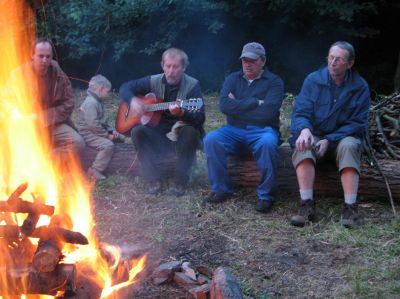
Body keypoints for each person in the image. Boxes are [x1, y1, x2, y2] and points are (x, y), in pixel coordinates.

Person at [289, 41, 371, 228]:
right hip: (316, 134)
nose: (332, 62)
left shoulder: (359, 87)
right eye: (330, 57)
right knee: (303, 143)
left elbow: (358, 123)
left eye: (339, 59)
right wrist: (305, 129)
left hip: (343, 137)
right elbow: (301, 112)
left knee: (350, 146)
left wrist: (330, 139)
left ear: (349, 64)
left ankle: (350, 209)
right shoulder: (313, 80)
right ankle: (306, 206)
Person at [203, 42, 284, 213]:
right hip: (233, 130)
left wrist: (237, 106)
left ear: (263, 61)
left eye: (252, 60)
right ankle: (221, 189)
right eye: (244, 60)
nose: (247, 63)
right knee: (211, 139)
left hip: (263, 130)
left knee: (268, 142)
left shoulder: (274, 82)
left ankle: (266, 196)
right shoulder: (233, 78)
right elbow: (224, 106)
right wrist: (254, 102)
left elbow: (268, 113)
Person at [119, 47, 205, 196]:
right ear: (162, 66)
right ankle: (153, 180)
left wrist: (183, 112)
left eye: (175, 66)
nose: (171, 71)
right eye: (168, 66)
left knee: (191, 132)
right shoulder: (153, 81)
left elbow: (200, 118)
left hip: (179, 135)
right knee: (137, 131)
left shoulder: (192, 85)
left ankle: (180, 183)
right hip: (157, 133)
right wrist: (133, 101)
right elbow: (125, 87)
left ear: (183, 67)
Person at [3, 37, 85, 156]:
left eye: (48, 56)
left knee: (78, 143)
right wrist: (17, 114)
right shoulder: (18, 74)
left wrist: (42, 118)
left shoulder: (58, 73)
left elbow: (69, 103)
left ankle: (45, 164)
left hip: (52, 124)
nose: (45, 60)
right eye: (40, 56)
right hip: (26, 127)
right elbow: (5, 100)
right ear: (32, 55)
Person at [76, 75, 125, 181]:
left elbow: (101, 123)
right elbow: (93, 124)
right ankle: (94, 170)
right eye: (107, 91)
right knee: (108, 145)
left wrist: (112, 131)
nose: (108, 94)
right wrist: (107, 136)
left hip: (94, 130)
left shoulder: (96, 102)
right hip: (87, 133)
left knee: (120, 137)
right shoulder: (91, 103)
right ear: (100, 89)